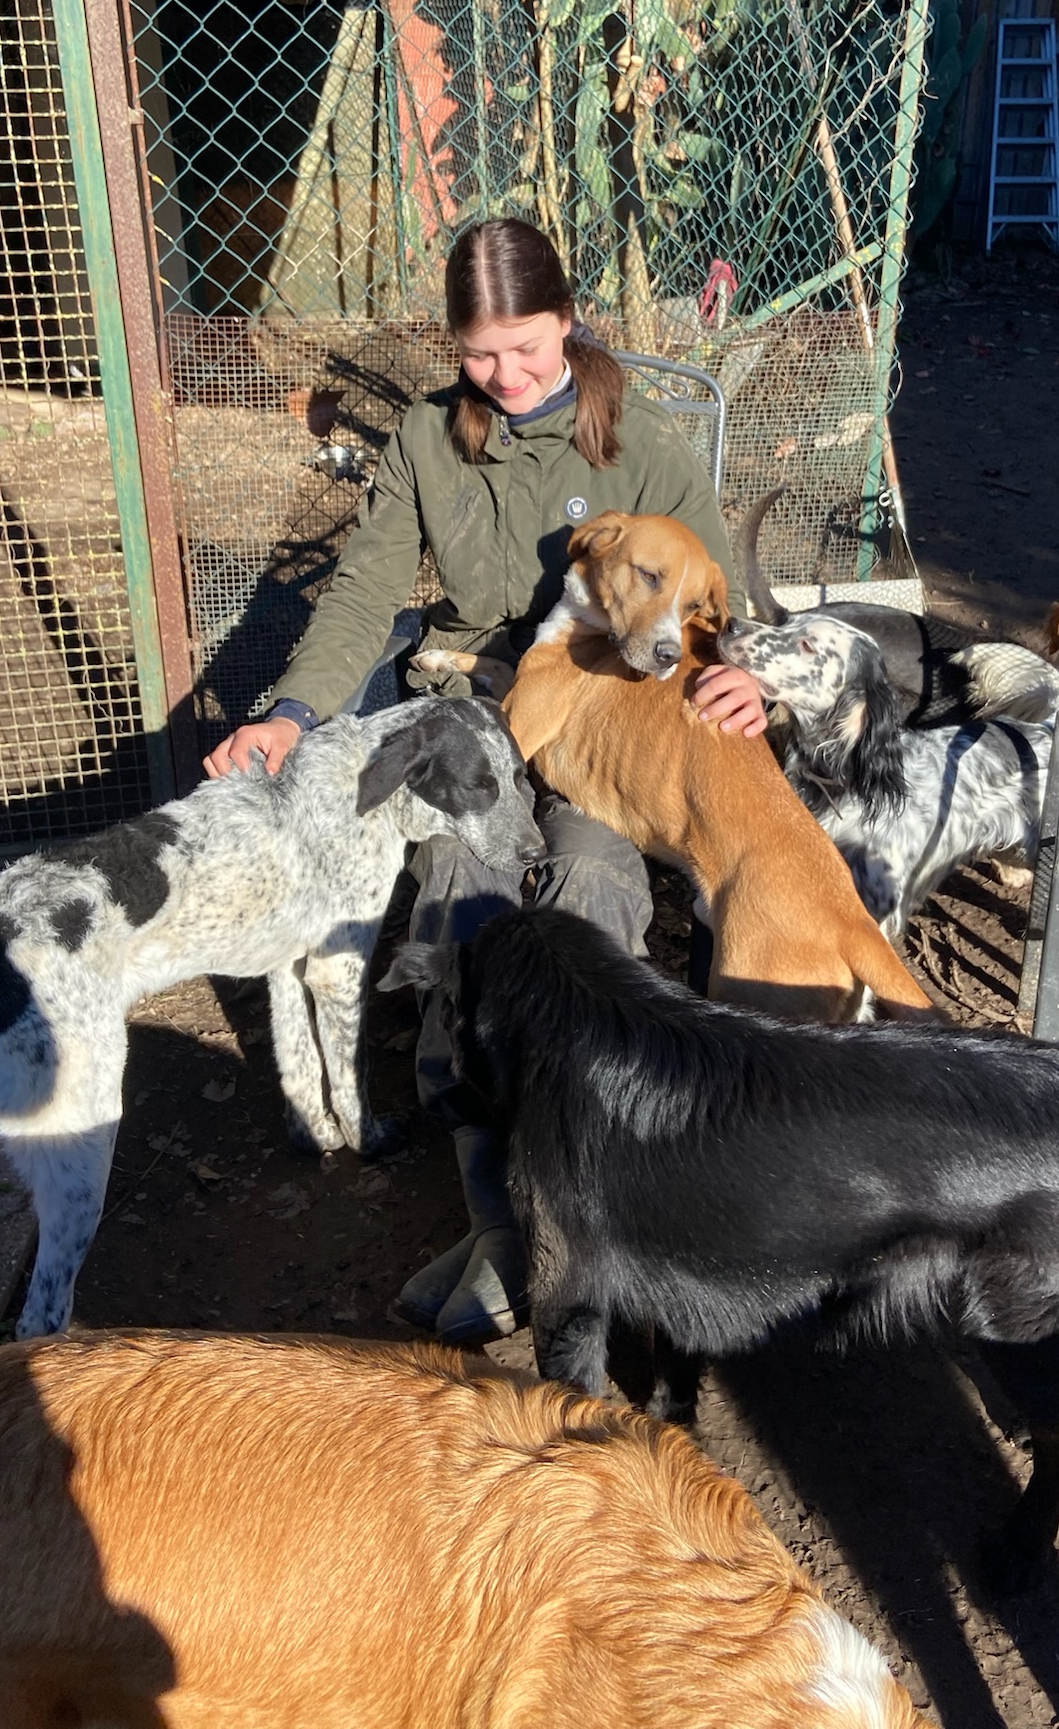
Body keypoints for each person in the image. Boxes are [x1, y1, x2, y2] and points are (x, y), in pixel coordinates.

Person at [207, 217, 766, 1341]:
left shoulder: (639, 443)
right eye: (479, 353)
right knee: (462, 906)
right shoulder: (427, 436)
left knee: (589, 900)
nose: (505, 376)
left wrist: (746, 676)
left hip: (604, 728)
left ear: (568, 321)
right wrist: (290, 712)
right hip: (478, 719)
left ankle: (579, 1218)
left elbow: (719, 598)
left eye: (526, 347)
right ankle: (498, 1223)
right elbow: (364, 594)